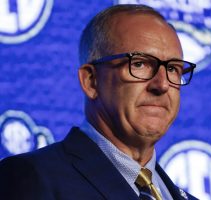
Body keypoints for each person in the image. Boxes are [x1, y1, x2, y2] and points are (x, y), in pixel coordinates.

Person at [0, 4, 197, 200]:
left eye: (172, 69)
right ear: (91, 81)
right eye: (139, 64)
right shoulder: (32, 177)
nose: (162, 85)